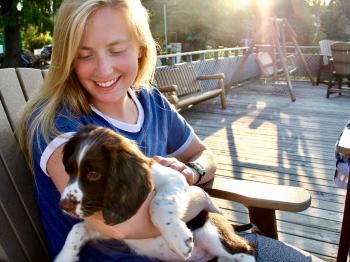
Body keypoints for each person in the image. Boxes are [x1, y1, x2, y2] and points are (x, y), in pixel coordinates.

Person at [18, 0, 324, 261]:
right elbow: (119, 224)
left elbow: (204, 156)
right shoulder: (58, 126)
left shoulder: (149, 101)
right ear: (68, 59)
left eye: (116, 49)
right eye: (85, 55)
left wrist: (191, 171)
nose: (103, 69)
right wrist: (197, 198)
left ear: (139, 48)